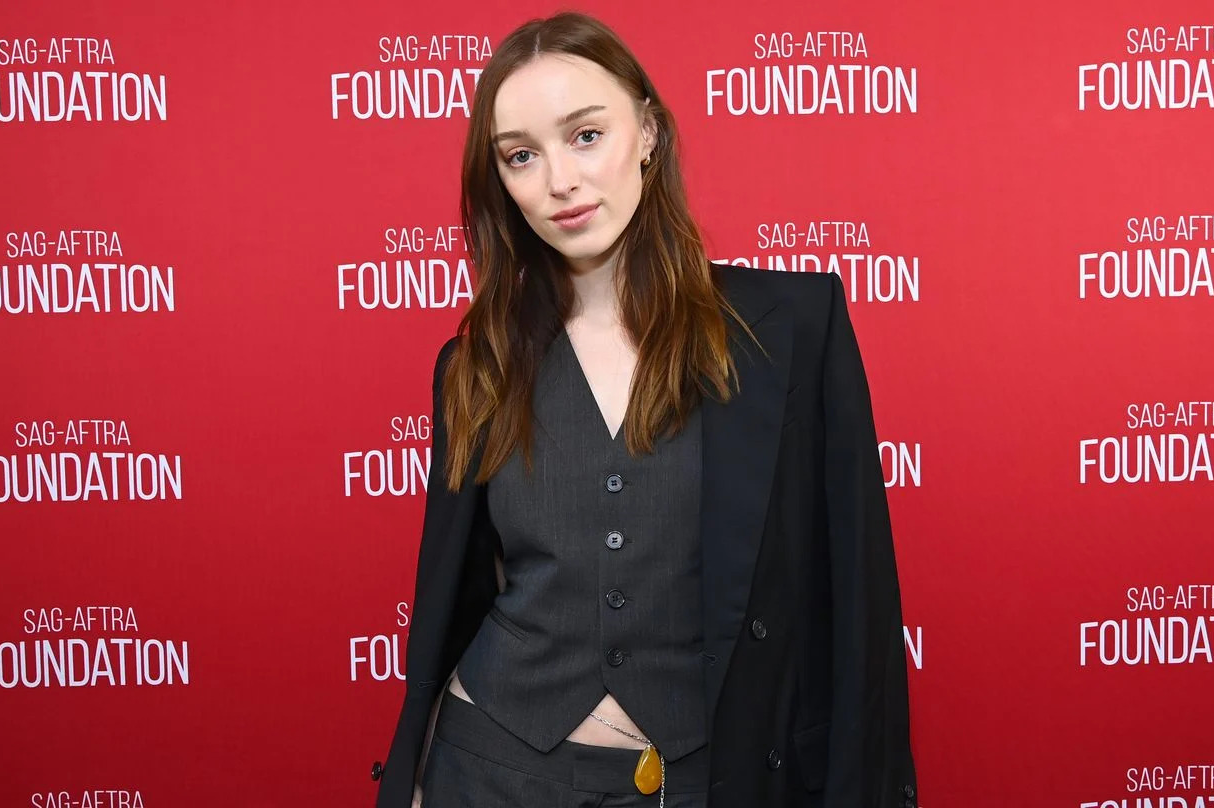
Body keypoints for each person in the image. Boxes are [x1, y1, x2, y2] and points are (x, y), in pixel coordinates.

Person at [373, 11, 916, 808]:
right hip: (491, 771)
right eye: (521, 156)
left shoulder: (793, 328)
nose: (558, 180)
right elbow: (461, 592)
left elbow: (857, 604)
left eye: (585, 135)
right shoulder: (476, 365)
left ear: (650, 132)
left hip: (705, 780)